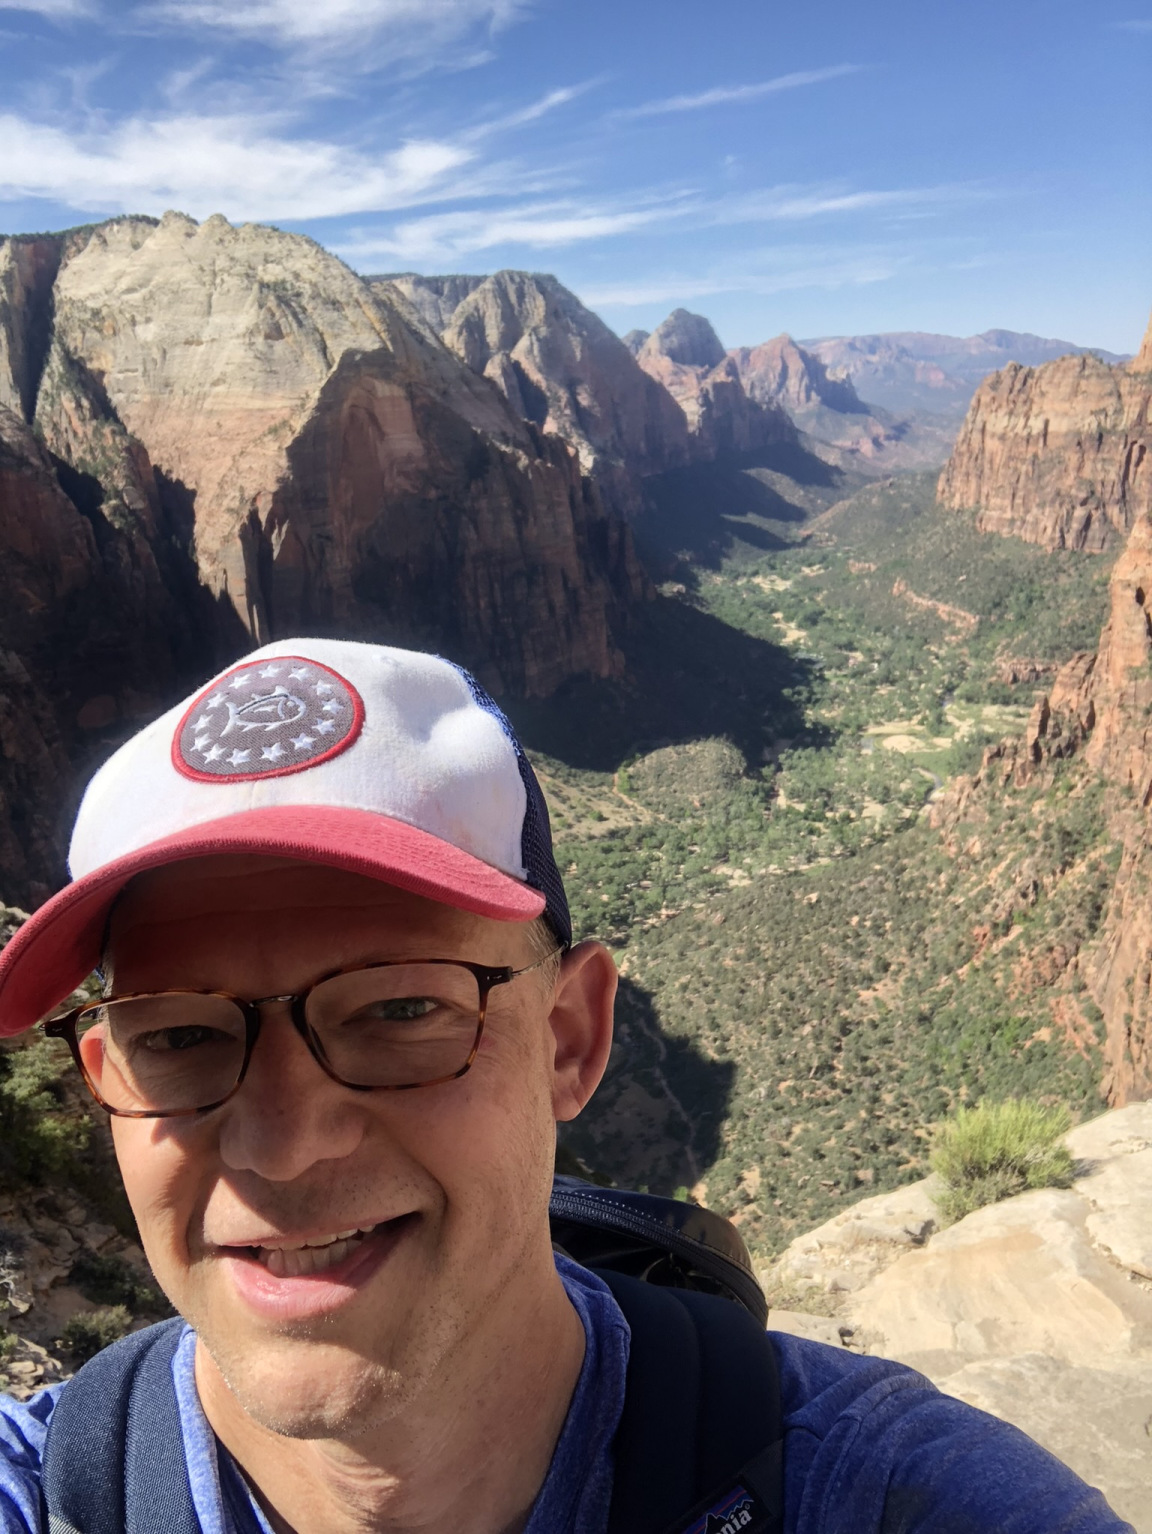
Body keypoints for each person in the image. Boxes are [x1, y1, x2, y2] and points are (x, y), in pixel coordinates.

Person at [0, 638, 1133, 1534]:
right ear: (106, 1079)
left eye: (399, 1009)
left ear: (572, 1038)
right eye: (183, 1037)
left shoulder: (878, 1493)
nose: (282, 1143)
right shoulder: (42, 1485)